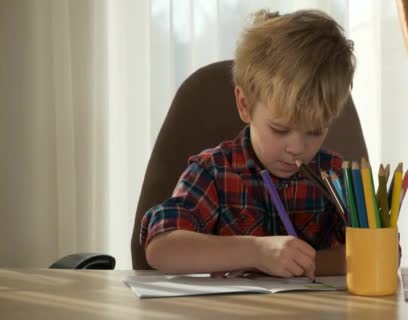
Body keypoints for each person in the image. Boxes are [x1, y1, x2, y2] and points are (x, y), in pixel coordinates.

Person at [140, 9, 356, 280]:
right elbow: (161, 247)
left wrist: (293, 265)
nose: (297, 148)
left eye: (315, 132)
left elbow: (383, 251)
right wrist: (257, 253)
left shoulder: (334, 175)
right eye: (280, 129)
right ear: (244, 105)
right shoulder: (214, 171)